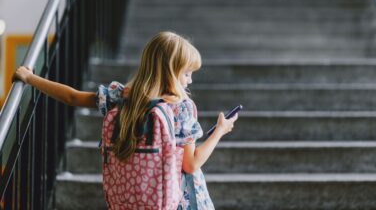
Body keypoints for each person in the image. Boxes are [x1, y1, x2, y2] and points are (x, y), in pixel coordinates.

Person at [13, 31, 238, 209]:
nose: (189, 81)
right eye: (187, 73)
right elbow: (191, 164)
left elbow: (72, 97)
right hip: (179, 199)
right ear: (170, 71)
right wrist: (220, 130)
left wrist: (30, 78)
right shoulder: (180, 107)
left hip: (135, 198)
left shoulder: (121, 97)